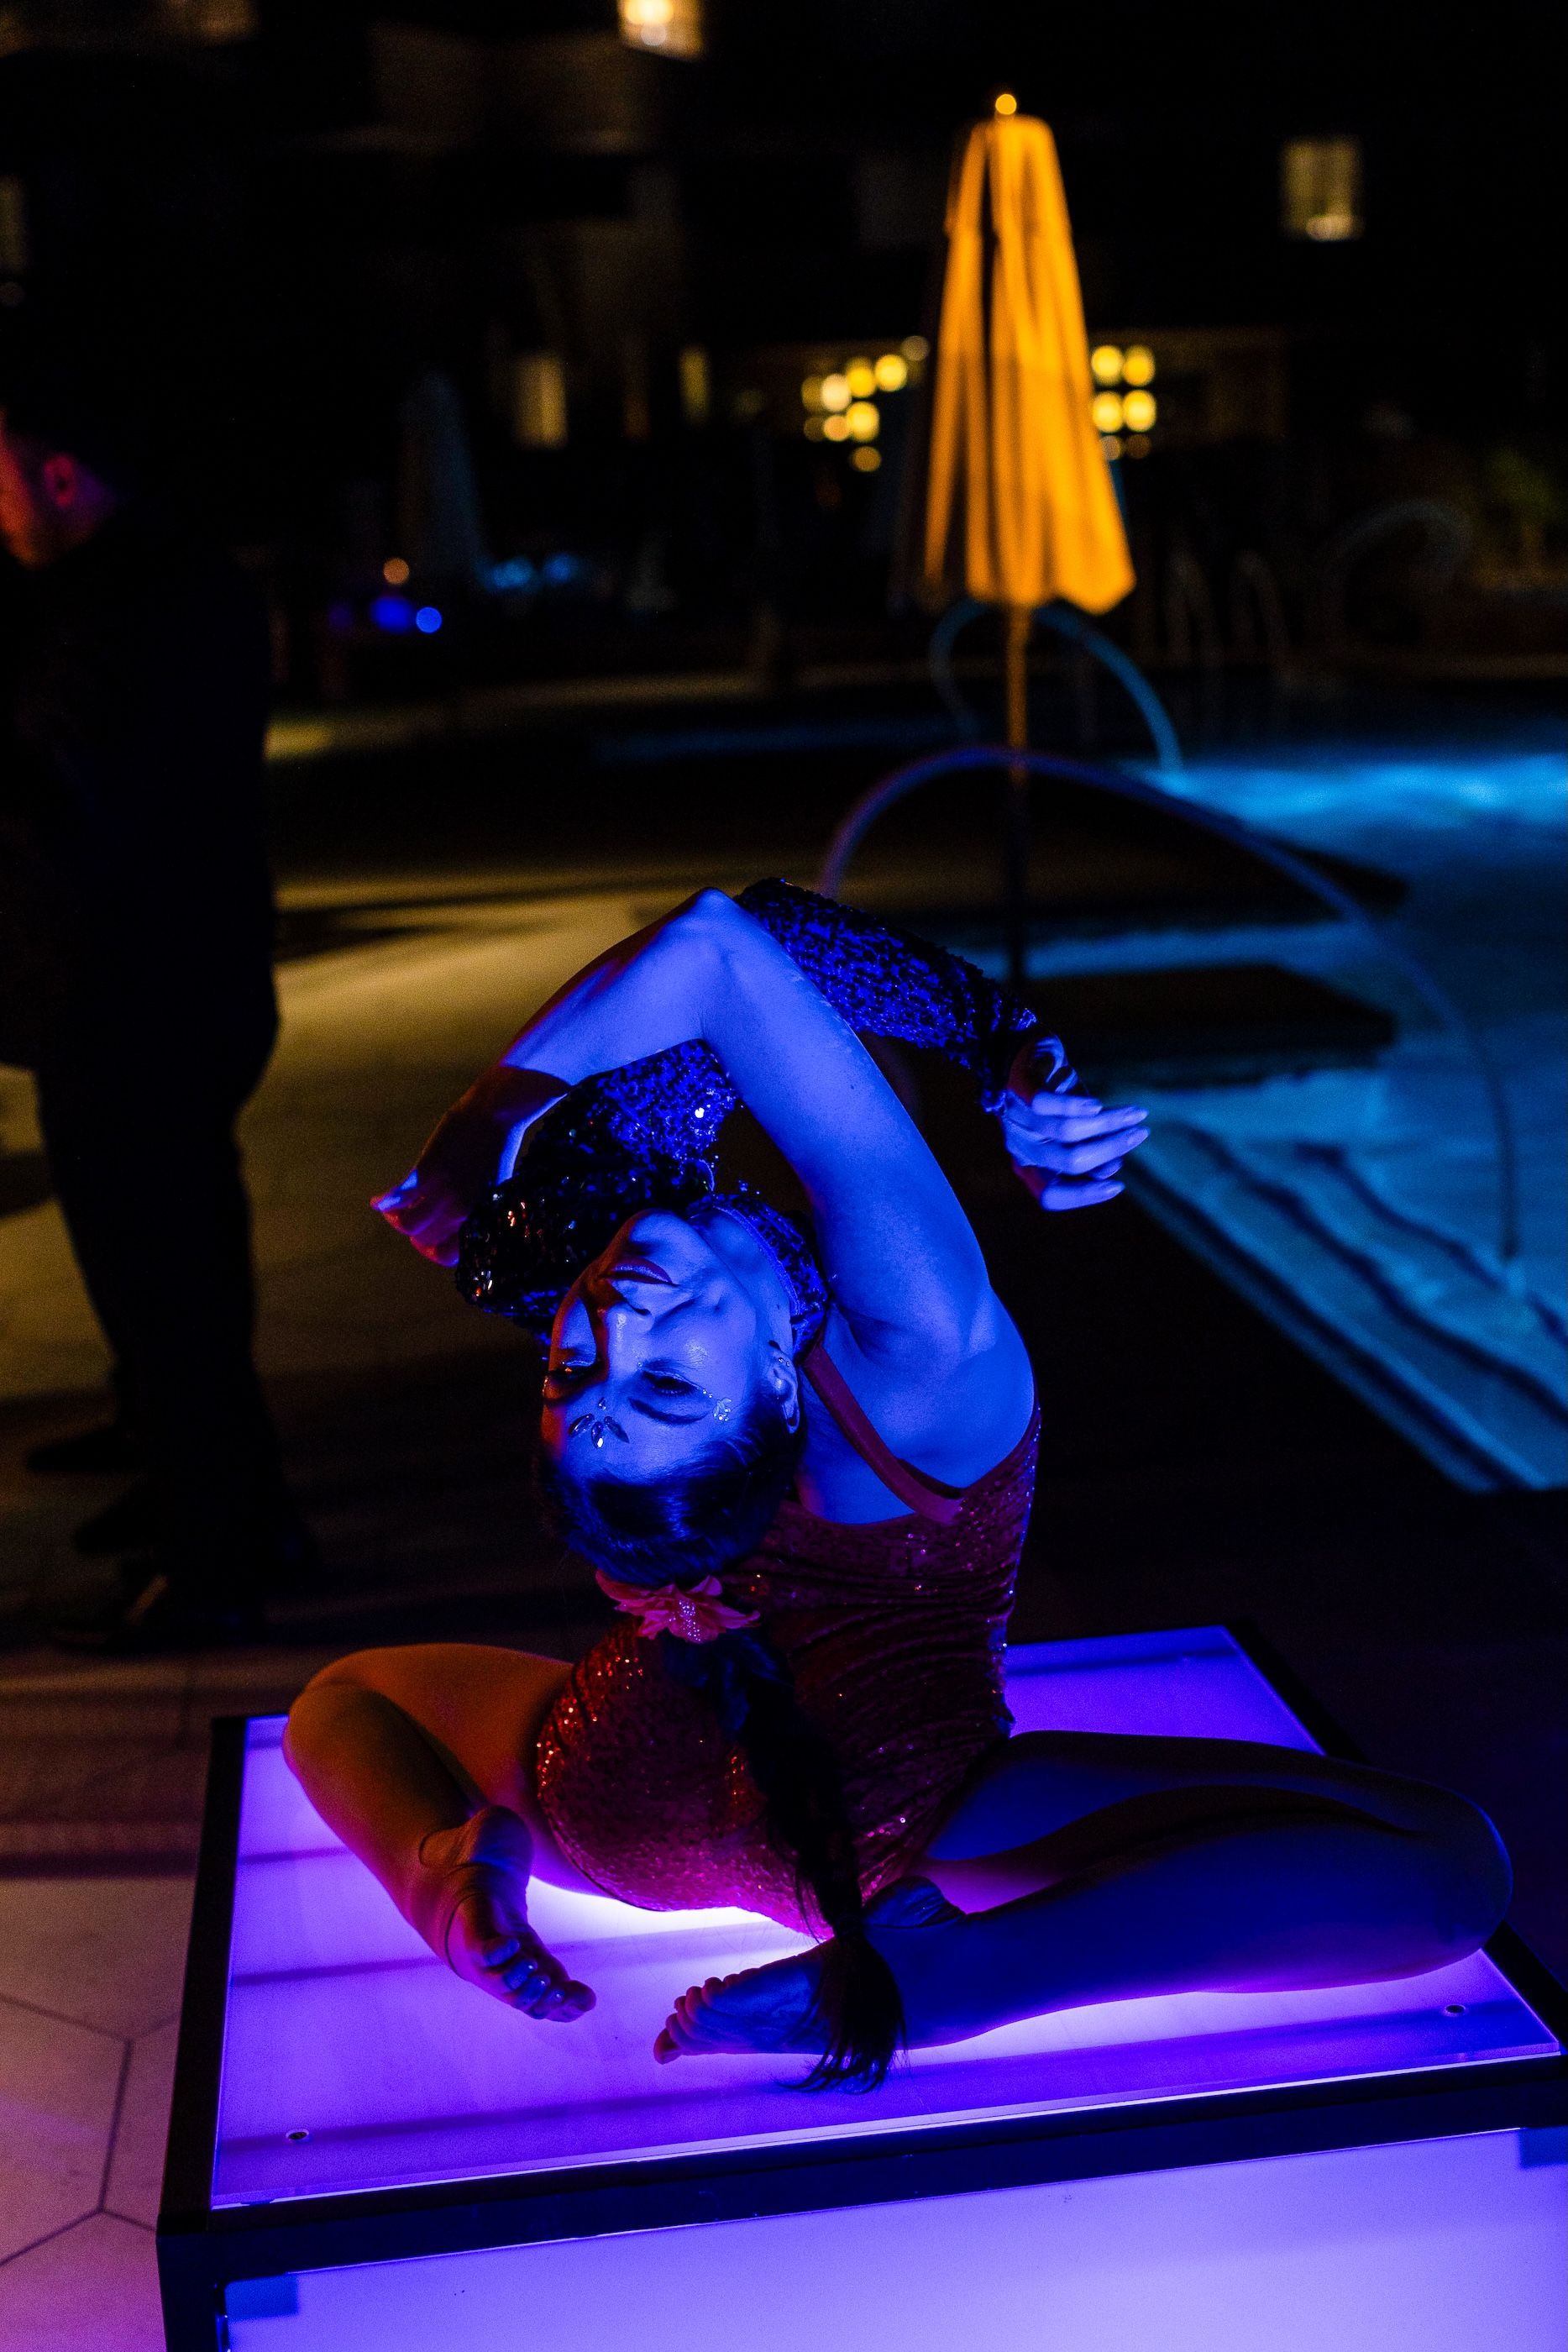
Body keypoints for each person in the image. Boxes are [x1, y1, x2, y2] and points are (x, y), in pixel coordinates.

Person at [285, 884, 1509, 2086]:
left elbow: (348, 1705)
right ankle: (953, 1983)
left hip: (616, 1797)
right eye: (661, 1387)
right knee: (1453, 1867)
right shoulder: (909, 1353)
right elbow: (719, 948)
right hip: (891, 1820)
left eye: (575, 1368)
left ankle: (449, 1874)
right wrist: (495, 1103)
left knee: (345, 1699)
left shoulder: (574, 1256)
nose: (615, 1322)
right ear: (776, 1396)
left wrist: (436, 1850)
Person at [0, 365, 308, 1651]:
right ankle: (197, 1485)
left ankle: (217, 1545)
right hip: (145, 988)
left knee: (165, 1265)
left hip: (143, 997)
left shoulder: (137, 599)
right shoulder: (131, 586)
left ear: (62, 470)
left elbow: (80, 789)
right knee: (161, 1265)